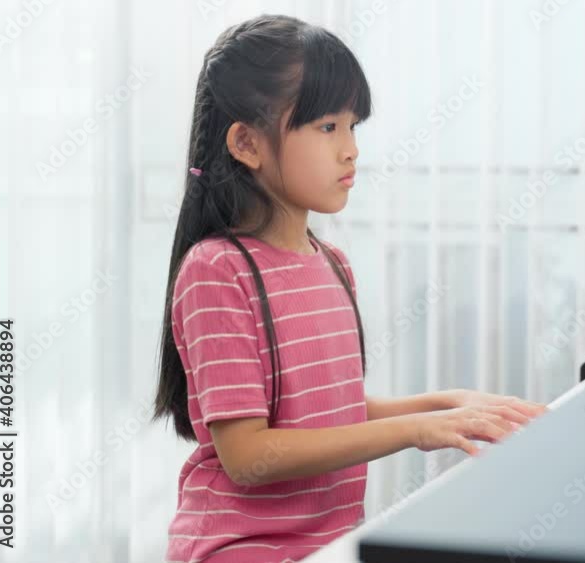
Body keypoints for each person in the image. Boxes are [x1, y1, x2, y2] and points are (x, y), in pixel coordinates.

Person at [152, 15, 546, 563]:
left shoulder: (332, 263)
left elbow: (326, 416)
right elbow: (247, 454)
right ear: (246, 142)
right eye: (326, 127)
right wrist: (417, 429)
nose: (351, 149)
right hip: (240, 549)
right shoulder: (217, 270)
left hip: (327, 546)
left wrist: (448, 403)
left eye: (353, 126)